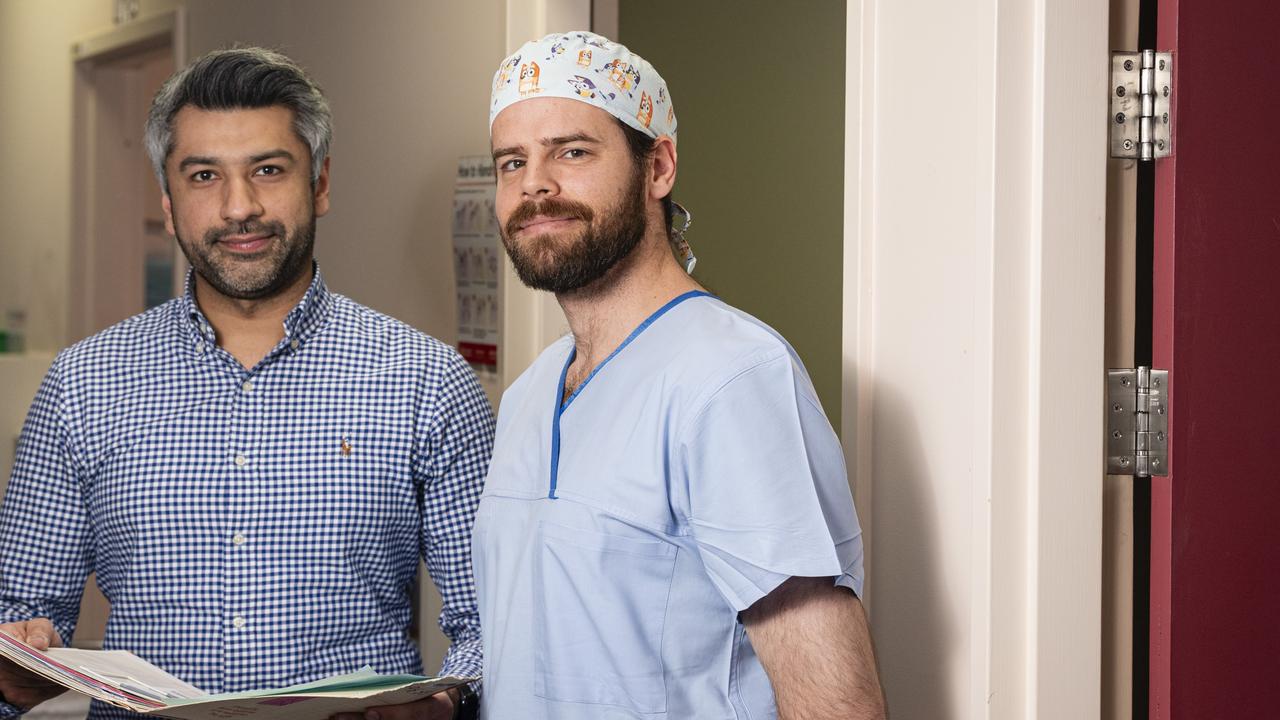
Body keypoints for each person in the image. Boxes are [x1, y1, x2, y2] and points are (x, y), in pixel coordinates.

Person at [0, 48, 490, 720]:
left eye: (267, 169)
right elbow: (20, 611)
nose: (239, 207)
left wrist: (443, 700)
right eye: (204, 176)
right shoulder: (84, 383)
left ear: (319, 184)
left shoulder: (427, 381)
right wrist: (22, 658)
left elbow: (494, 622)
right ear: (168, 203)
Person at [474, 31, 887, 720]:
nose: (535, 185)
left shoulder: (730, 379)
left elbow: (835, 703)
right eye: (511, 162)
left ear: (658, 167)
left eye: (571, 151)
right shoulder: (527, 396)